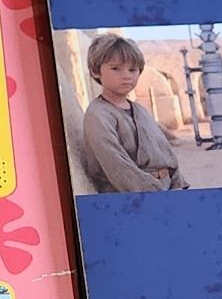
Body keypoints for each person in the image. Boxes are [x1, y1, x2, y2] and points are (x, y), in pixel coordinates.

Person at [80, 33, 190, 192]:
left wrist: (179, 185)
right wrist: (155, 193)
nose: (126, 76)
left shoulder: (140, 110)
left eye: (132, 70)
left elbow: (166, 152)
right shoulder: (98, 115)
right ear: (96, 71)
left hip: (166, 190)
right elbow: (118, 167)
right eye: (116, 69)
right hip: (132, 196)